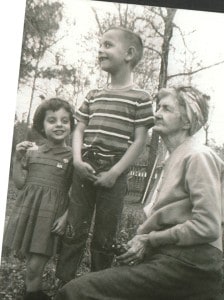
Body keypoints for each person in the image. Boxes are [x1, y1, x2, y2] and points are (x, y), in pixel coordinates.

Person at [55, 86, 224, 300]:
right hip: (167, 257)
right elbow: (170, 220)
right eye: (158, 107)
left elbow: (208, 226)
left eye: (166, 109)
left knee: (75, 292)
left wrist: (148, 240)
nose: (156, 114)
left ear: (187, 121)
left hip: (191, 265)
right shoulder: (172, 159)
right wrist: (139, 244)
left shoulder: (198, 156)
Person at [55, 26, 154, 282]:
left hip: (114, 173)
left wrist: (115, 173)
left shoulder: (140, 98)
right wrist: (77, 160)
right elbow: (79, 129)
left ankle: (97, 285)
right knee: (74, 229)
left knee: (105, 235)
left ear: (129, 54)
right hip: (84, 167)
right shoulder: (93, 95)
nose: (100, 49)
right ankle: (65, 284)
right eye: (99, 45)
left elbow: (140, 140)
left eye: (108, 45)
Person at [2, 98, 75, 300]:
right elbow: (19, 183)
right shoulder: (32, 152)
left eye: (64, 120)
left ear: (71, 125)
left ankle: (33, 294)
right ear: (42, 125)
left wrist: (66, 217)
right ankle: (33, 294)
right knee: (31, 266)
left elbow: (77, 193)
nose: (59, 124)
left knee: (35, 266)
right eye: (52, 120)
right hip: (30, 213)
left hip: (50, 218)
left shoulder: (73, 156)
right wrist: (17, 159)